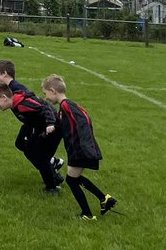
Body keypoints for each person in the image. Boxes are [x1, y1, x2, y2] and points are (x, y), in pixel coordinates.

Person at [41, 75, 118, 221]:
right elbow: (63, 123)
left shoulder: (67, 106)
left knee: (71, 180)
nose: (46, 97)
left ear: (53, 91)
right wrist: (53, 127)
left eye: (45, 93)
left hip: (79, 150)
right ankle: (105, 199)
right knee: (74, 179)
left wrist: (86, 147)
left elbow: (83, 122)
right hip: (78, 149)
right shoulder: (65, 107)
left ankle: (87, 214)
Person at [0, 83, 64, 193]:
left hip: (53, 128)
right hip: (37, 126)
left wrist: (50, 124)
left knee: (41, 157)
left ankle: (52, 187)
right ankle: (53, 173)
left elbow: (46, 108)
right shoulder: (13, 103)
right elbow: (30, 117)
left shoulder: (23, 104)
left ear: (4, 97)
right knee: (22, 145)